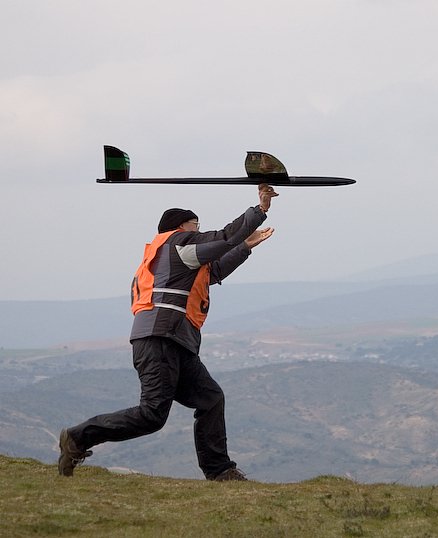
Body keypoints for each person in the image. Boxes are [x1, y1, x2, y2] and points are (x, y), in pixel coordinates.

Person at [58, 184, 279, 481]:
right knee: (152, 415)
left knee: (210, 398)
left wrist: (244, 246)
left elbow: (212, 272)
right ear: (180, 228)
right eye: (195, 226)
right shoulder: (179, 244)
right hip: (162, 340)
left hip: (172, 341)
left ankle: (220, 472)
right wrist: (260, 209)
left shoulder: (169, 258)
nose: (199, 232)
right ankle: (77, 438)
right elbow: (224, 237)